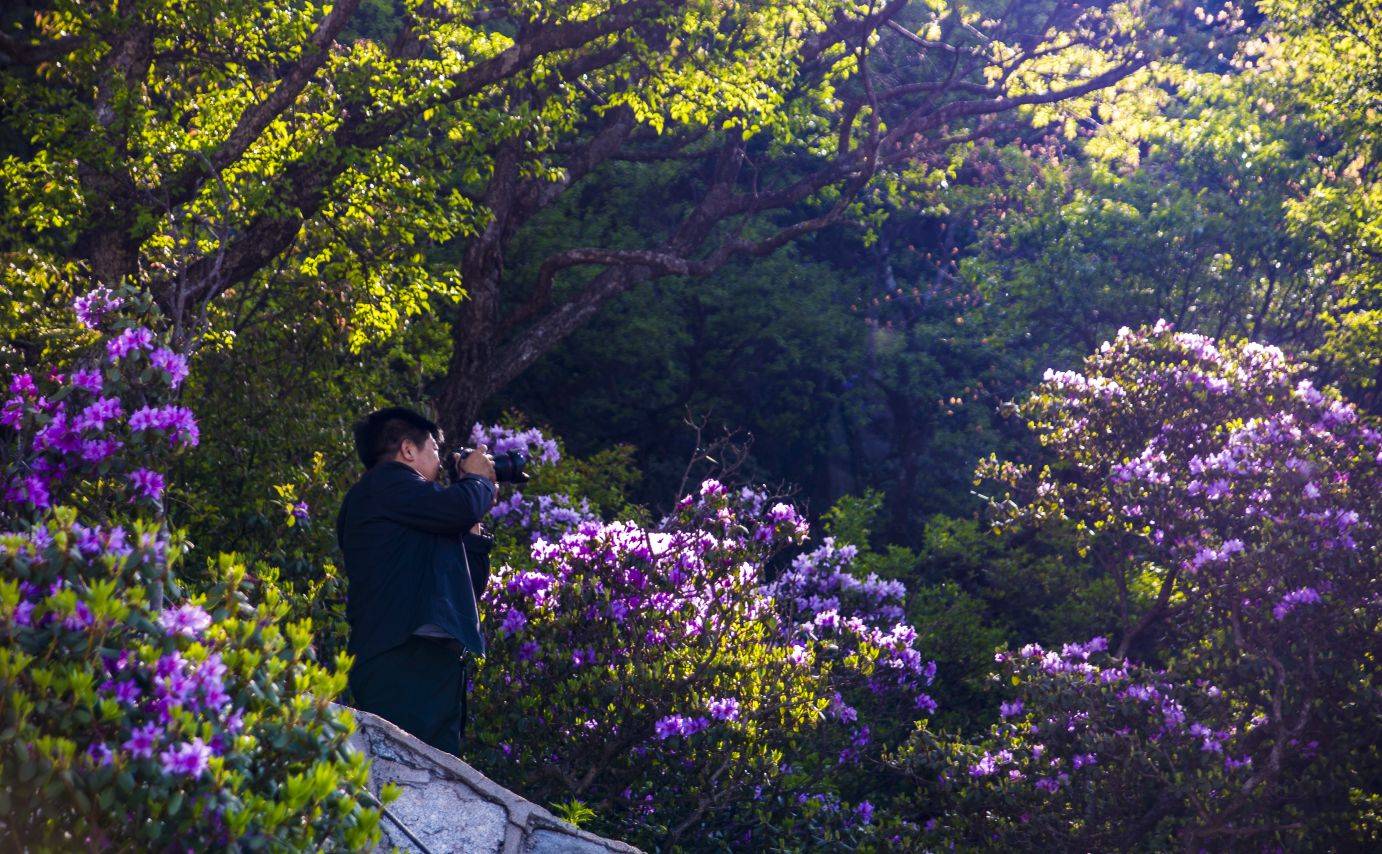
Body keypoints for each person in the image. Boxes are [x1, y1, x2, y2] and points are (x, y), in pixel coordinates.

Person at [336, 406, 497, 755]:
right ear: (408, 450)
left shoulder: (414, 508)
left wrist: (470, 522)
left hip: (430, 660)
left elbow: (471, 586)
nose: (440, 464)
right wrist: (478, 481)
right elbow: (460, 506)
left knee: (435, 776)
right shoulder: (384, 485)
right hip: (401, 657)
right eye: (435, 452)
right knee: (401, 774)